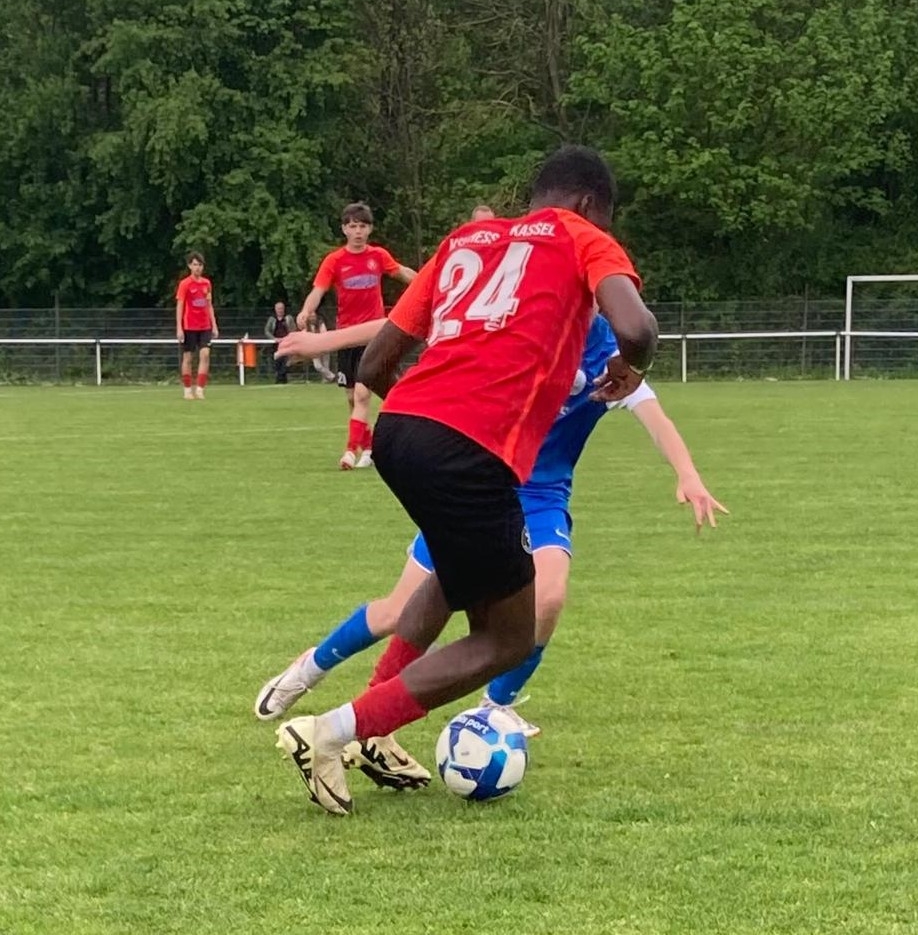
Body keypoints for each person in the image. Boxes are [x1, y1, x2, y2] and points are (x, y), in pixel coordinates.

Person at [274, 145, 659, 815]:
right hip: (468, 452)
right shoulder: (582, 236)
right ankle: (331, 733)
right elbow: (637, 326)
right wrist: (631, 367)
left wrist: (428, 417)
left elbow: (376, 362)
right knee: (506, 638)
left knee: (453, 578)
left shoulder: (466, 239)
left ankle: (375, 731)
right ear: (589, 205)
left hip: (399, 431)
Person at [258, 312, 725, 789]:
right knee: (398, 611)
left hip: (541, 497)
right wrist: (325, 342)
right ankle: (308, 671)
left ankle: (495, 707)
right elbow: (413, 316)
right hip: (483, 482)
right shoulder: (522, 318)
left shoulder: (611, 356)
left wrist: (688, 475)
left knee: (548, 597)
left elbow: (656, 418)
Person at [295, 203, 416, 469]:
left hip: (374, 337)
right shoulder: (334, 261)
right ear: (344, 229)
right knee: (352, 398)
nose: (358, 231)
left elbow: (402, 272)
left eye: (362, 226)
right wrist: (306, 310)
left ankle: (350, 452)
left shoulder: (378, 256)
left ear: (369, 229)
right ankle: (369, 448)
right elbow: (318, 290)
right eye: (353, 226)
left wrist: (428, 285)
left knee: (362, 394)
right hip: (346, 337)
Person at [174, 252, 218, 400]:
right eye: (195, 264)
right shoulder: (185, 284)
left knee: (205, 354)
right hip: (189, 326)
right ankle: (187, 389)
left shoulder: (206, 284)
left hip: (205, 326)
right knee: (188, 357)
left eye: (200, 265)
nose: (197, 267)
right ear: (189, 266)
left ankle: (200, 389)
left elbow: (209, 305)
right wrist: (179, 327)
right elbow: (180, 306)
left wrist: (214, 324)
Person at [264, 302, 297, 384]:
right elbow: (267, 331)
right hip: (275, 344)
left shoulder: (288, 318)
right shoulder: (272, 319)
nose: (280, 310)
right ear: (275, 309)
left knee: (286, 361)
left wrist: (287, 339)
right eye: (278, 308)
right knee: (277, 362)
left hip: (286, 343)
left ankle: (280, 379)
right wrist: (274, 338)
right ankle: (281, 379)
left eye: (281, 308)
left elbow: (293, 330)